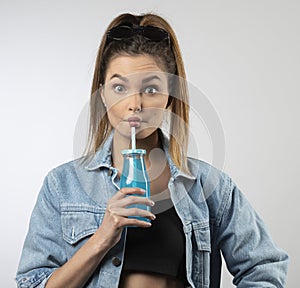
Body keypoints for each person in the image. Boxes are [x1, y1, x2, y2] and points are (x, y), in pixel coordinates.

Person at [16, 12, 288, 288]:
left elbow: (264, 268)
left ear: (170, 95)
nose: (135, 104)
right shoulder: (62, 185)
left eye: (150, 89)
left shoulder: (211, 186)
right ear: (102, 94)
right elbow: (31, 284)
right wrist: (102, 237)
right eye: (119, 87)